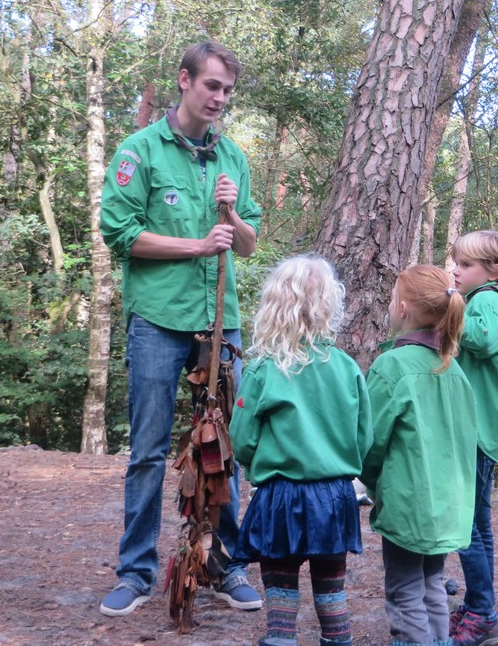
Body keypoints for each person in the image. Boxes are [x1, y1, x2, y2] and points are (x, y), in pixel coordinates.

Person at [98, 41, 263, 617]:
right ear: (185, 80)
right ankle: (135, 572)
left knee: (223, 448)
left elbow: (248, 243)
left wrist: (233, 214)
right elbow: (119, 234)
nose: (219, 98)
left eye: (227, 90)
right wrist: (197, 245)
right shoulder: (139, 151)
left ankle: (226, 566)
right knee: (147, 450)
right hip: (158, 320)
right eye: (212, 85)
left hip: (220, 323)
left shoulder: (232, 157)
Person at [230, 255, 373, 646]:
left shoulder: (264, 370)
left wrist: (256, 467)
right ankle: (337, 639)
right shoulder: (346, 367)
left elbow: (242, 439)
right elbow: (364, 437)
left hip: (282, 497)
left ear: (275, 305)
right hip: (335, 498)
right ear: (329, 305)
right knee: (331, 590)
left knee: (281, 588)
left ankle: (281, 638)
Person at [360, 265, 477, 646]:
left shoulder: (392, 366)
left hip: (409, 505)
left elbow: (369, 442)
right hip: (447, 507)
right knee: (432, 585)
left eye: (393, 299)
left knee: (405, 591)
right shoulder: (454, 370)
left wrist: (370, 482)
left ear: (403, 308)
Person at [447, 230, 498, 646]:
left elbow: (480, 339)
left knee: (465, 525)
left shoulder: (487, 300)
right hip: (482, 432)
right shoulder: (489, 299)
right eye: (456, 263)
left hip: (475, 433)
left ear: (494, 270)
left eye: (466, 265)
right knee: (479, 525)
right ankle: (481, 605)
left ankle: (482, 614)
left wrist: (446, 305)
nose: (456, 271)